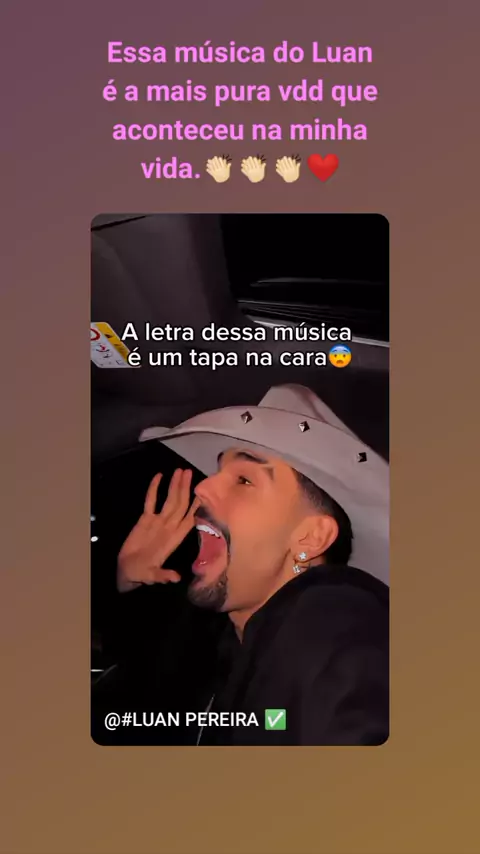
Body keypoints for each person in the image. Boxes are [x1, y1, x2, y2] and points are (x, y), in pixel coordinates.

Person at [116, 384, 389, 745]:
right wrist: (130, 585)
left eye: (244, 480)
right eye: (217, 473)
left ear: (311, 538)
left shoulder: (335, 619)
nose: (203, 487)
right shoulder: (225, 643)